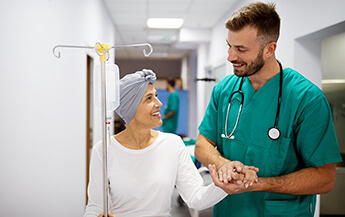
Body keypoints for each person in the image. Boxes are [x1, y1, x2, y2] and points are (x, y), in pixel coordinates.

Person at [194, 2, 343, 217]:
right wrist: (223, 164)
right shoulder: (224, 90)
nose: (230, 57)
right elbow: (202, 144)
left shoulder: (307, 99)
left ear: (269, 49)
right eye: (229, 46)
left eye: (241, 49)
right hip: (229, 210)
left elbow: (325, 178)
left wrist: (257, 183)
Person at [83, 69, 258, 217]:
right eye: (149, 99)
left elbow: (195, 197)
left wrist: (225, 185)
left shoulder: (172, 144)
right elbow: (94, 207)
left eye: (156, 96)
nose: (159, 103)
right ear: (131, 108)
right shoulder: (104, 150)